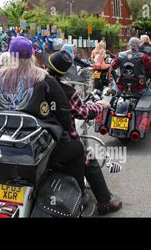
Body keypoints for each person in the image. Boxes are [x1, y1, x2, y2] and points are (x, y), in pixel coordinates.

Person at [0, 37, 86, 191]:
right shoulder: (43, 78)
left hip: (1, 145)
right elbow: (63, 110)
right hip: (35, 147)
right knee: (77, 150)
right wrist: (65, 134)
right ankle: (79, 194)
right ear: (32, 56)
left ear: (10, 55)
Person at [47, 50, 122, 215]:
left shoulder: (33, 83)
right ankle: (105, 202)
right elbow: (83, 113)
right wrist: (100, 105)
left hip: (39, 142)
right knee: (89, 158)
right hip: (61, 142)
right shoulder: (65, 91)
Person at [111, 38, 151, 130]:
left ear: (129, 45)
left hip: (122, 87)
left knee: (112, 95)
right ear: (139, 46)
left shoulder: (120, 55)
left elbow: (113, 66)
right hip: (139, 88)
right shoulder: (143, 56)